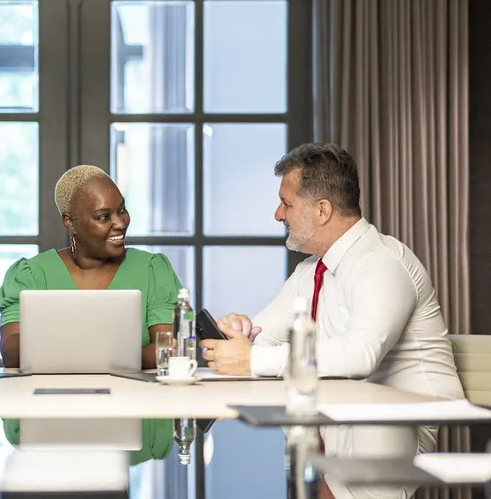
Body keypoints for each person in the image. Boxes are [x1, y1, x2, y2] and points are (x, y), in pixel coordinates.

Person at [199, 143, 465, 498]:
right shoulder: (311, 271)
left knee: (358, 407)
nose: (278, 214)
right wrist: (238, 336)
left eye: (287, 204)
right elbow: (262, 341)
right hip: (342, 419)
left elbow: (360, 356)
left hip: (401, 424)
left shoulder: (382, 262)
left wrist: (252, 358)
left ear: (322, 210)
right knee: (299, 404)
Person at [0, 165, 182, 369]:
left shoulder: (152, 270)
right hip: (49, 397)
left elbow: (167, 351)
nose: (120, 223)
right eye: (103, 217)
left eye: (122, 210)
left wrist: (74, 351)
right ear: (70, 223)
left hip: (133, 397)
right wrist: (117, 355)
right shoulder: (30, 275)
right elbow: (11, 354)